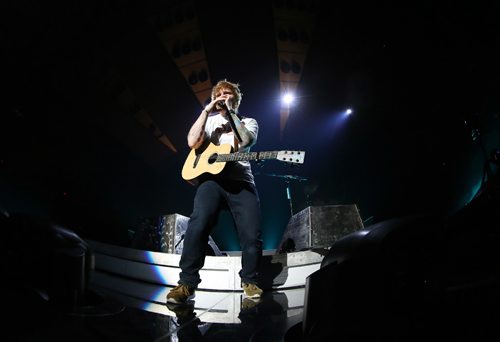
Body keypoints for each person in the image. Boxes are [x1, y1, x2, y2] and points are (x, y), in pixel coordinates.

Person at [166, 79, 263, 304]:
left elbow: (246, 141)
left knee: (251, 234)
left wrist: (230, 113)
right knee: (198, 224)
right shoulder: (209, 121)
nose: (222, 96)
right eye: (218, 94)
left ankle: (250, 281)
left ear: (236, 99)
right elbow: (192, 142)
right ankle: (186, 284)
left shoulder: (248, 121)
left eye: (227, 94)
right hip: (211, 181)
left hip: (242, 182)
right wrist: (206, 110)